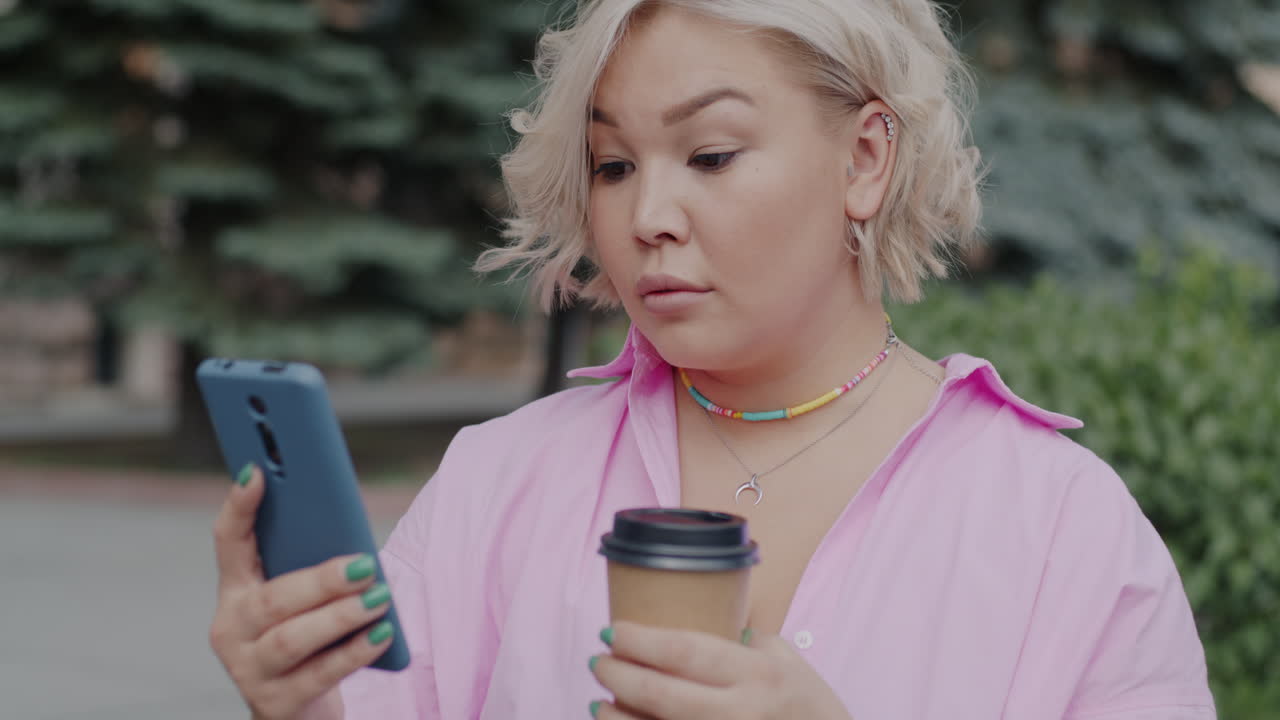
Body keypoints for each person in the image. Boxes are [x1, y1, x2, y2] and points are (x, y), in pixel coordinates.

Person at [208, 1, 1218, 718]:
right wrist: (298, 706)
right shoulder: (497, 480)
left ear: (865, 159)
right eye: (611, 166)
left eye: (709, 155)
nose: (646, 217)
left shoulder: (1059, 527)